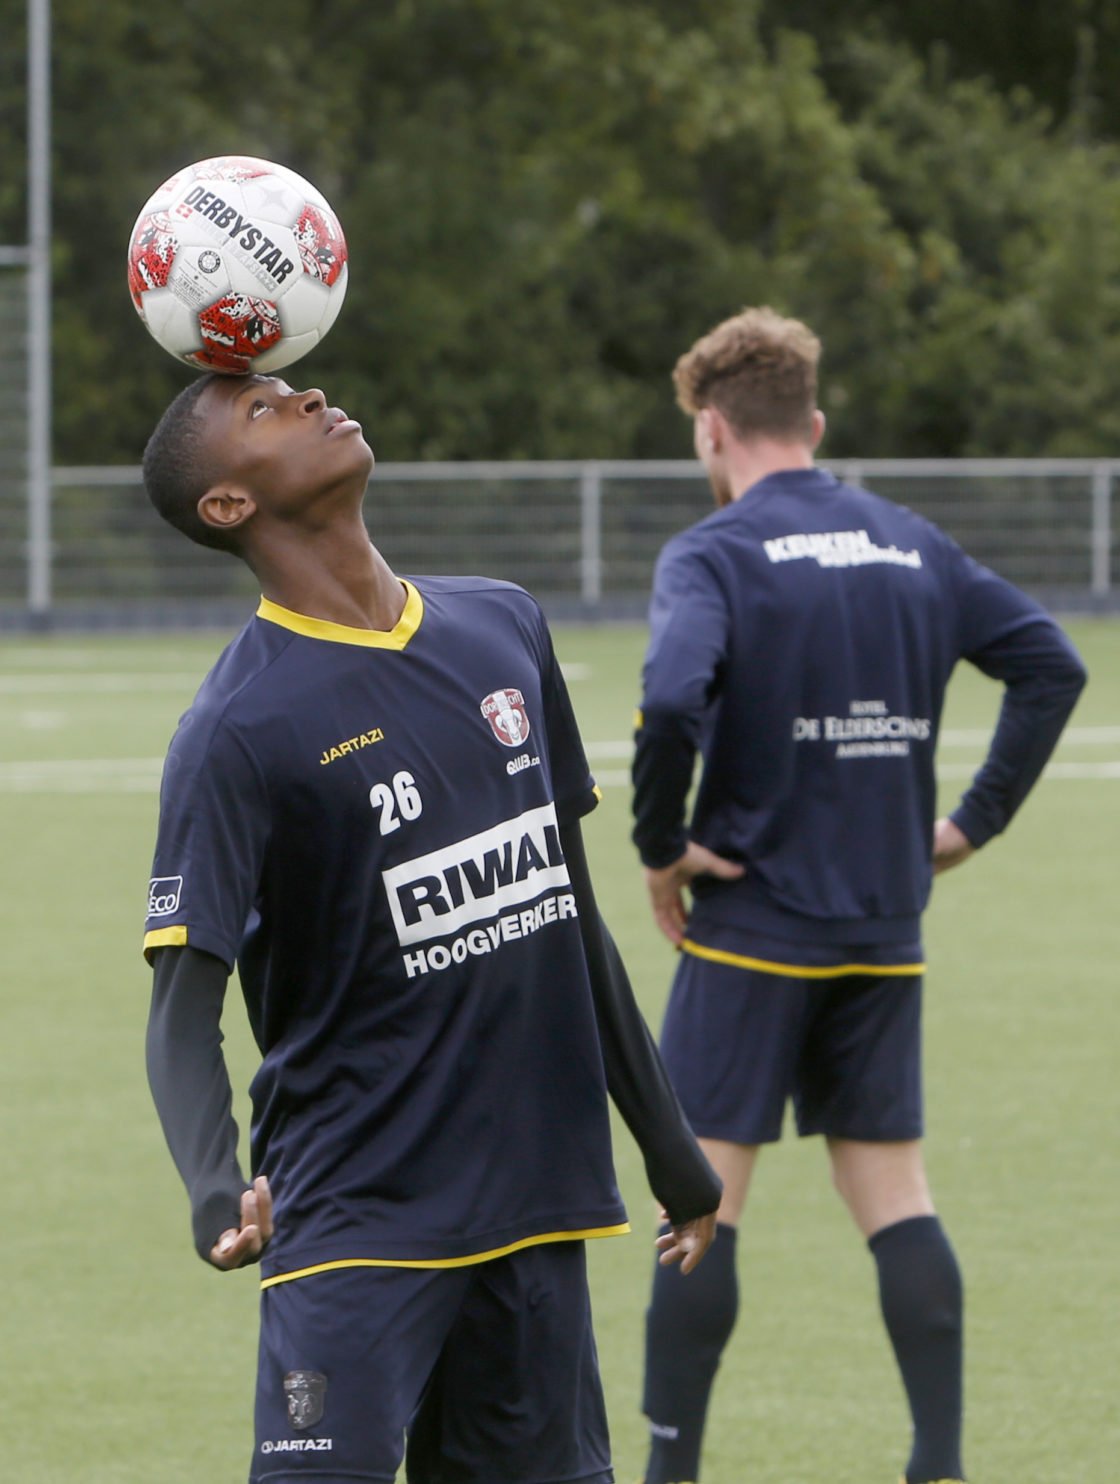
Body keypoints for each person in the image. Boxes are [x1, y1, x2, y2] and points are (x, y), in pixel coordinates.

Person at [140, 370, 722, 1484]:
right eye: (263, 409)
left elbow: (568, 919)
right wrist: (217, 1184)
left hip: (537, 1205)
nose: (309, 392)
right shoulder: (234, 730)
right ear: (227, 505)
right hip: (358, 1216)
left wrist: (670, 1146)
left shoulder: (503, 623)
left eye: (294, 386)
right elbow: (181, 1007)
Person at [630, 307, 1088, 1484]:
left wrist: (659, 843)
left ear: (713, 428)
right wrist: (969, 823)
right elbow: (1050, 663)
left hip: (752, 930)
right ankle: (936, 1464)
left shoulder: (713, 553)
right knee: (893, 1190)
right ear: (816, 424)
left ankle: (670, 1471)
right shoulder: (910, 542)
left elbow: (674, 698)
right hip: (883, 928)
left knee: (702, 1203)